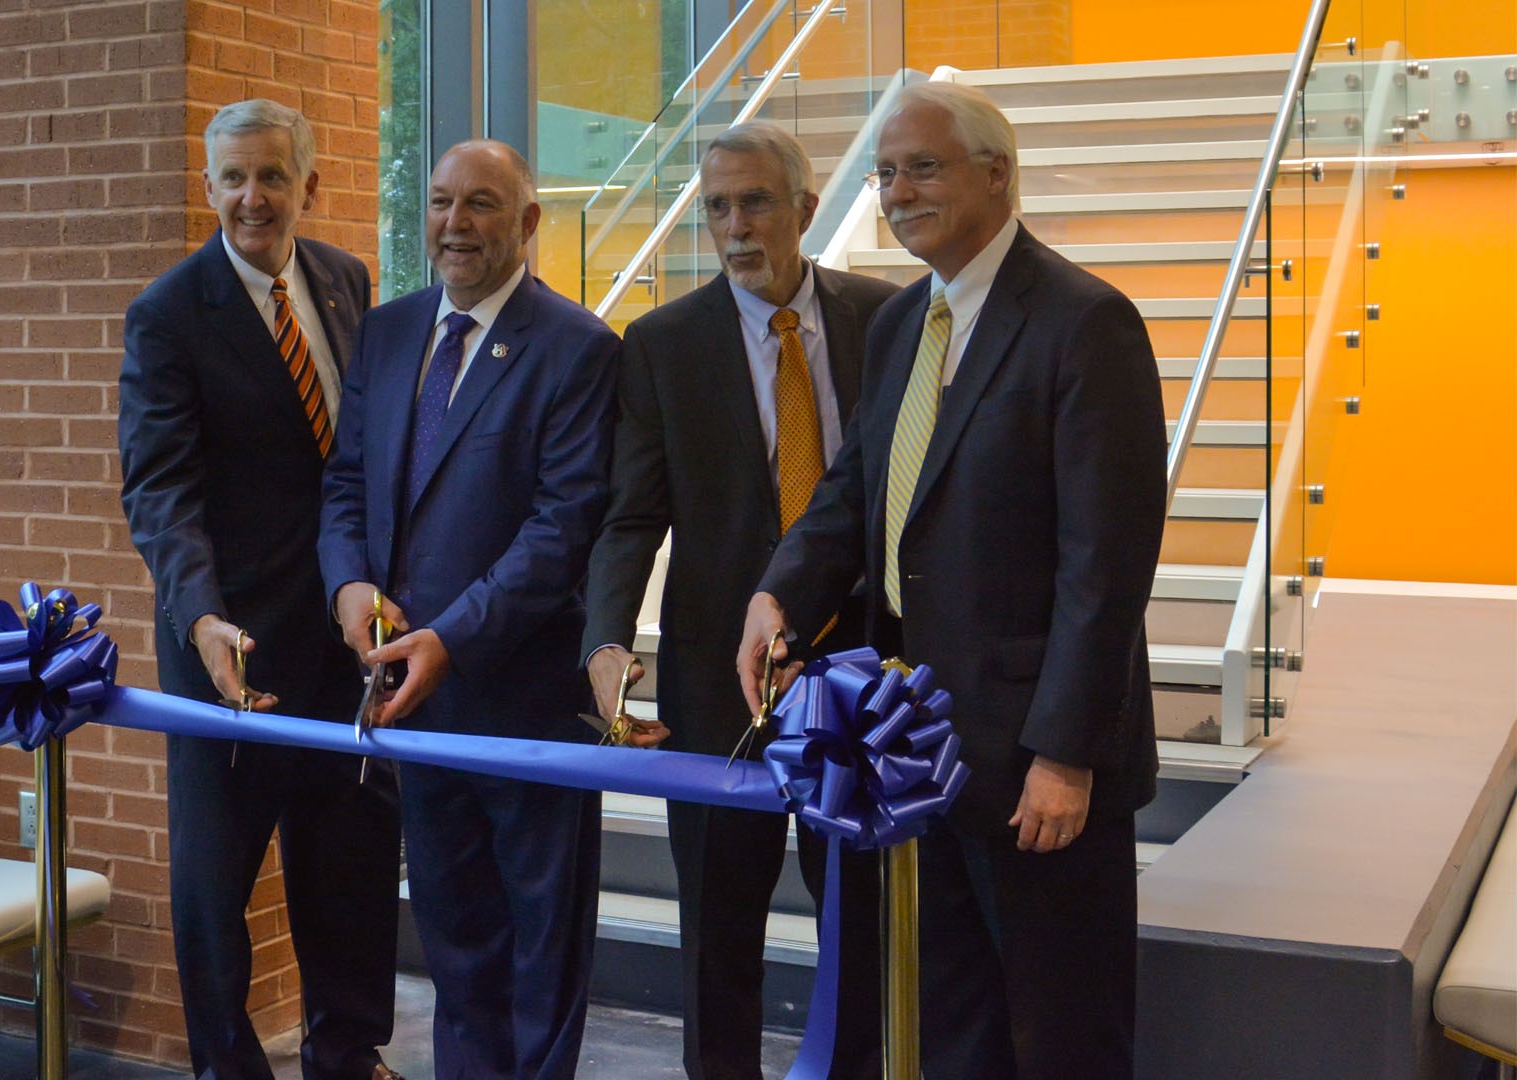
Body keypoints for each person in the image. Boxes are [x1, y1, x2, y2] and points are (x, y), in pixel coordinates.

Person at [737, 81, 1166, 1080]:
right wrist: (778, 596)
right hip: (919, 752)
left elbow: (1105, 566)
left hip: (1035, 768)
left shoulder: (1084, 322)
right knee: (953, 1029)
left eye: (922, 168)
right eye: (885, 173)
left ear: (997, 174)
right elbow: (852, 497)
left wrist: (1065, 753)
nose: (896, 192)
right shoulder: (900, 327)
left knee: (1062, 1036)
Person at [579, 120, 899, 1080]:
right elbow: (630, 518)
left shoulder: (886, 321)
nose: (734, 225)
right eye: (717, 206)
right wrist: (605, 642)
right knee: (719, 932)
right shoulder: (662, 344)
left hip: (861, 672)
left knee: (862, 919)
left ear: (807, 208)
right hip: (718, 682)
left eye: (755, 202)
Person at [317, 139, 619, 1080]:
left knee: (541, 954)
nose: (457, 224)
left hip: (524, 703)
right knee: (455, 950)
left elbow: (562, 529)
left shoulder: (578, 348)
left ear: (528, 223)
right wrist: (349, 586)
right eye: (443, 202)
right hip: (413, 706)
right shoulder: (389, 331)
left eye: (483, 204)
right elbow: (346, 485)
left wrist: (450, 636)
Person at [117, 99, 403, 1080]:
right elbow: (160, 489)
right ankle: (224, 1068)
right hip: (227, 655)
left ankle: (347, 1053)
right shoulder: (166, 314)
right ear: (208, 188)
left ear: (307, 186)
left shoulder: (347, 280)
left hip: (345, 648)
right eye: (233, 178)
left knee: (352, 871)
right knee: (214, 891)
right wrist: (199, 616)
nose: (253, 197)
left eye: (272, 176)